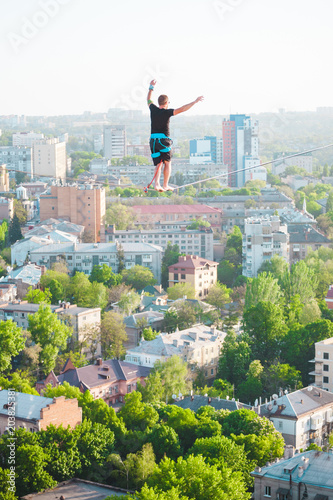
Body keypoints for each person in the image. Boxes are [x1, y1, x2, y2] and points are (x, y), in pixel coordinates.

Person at [147, 79, 203, 192]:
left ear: (159, 103)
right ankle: (165, 185)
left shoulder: (153, 109)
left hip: (153, 141)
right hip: (163, 141)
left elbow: (148, 99)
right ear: (166, 103)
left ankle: (157, 184)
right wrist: (194, 102)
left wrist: (151, 87)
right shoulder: (167, 112)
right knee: (167, 163)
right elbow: (182, 109)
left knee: (158, 164)